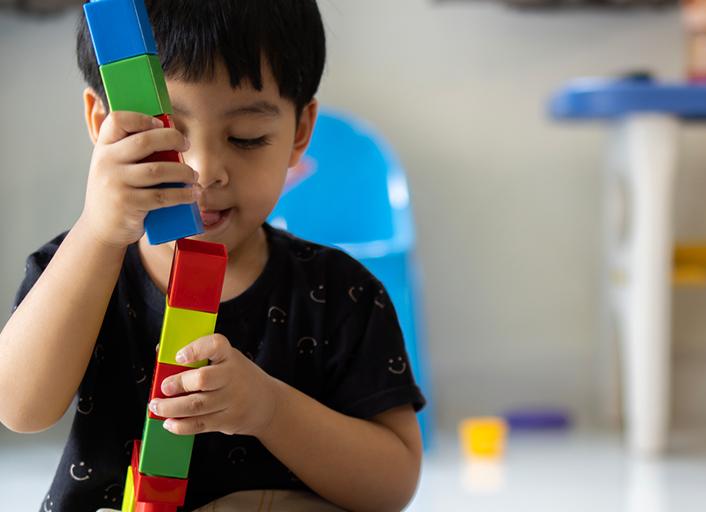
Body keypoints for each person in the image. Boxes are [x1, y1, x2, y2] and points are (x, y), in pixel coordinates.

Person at [0, 1, 425, 510]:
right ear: (101, 122)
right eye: (164, 135)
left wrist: (269, 409)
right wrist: (97, 231)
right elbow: (19, 409)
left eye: (246, 138)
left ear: (299, 132)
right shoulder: (77, 267)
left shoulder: (343, 294)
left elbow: (391, 486)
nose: (203, 170)